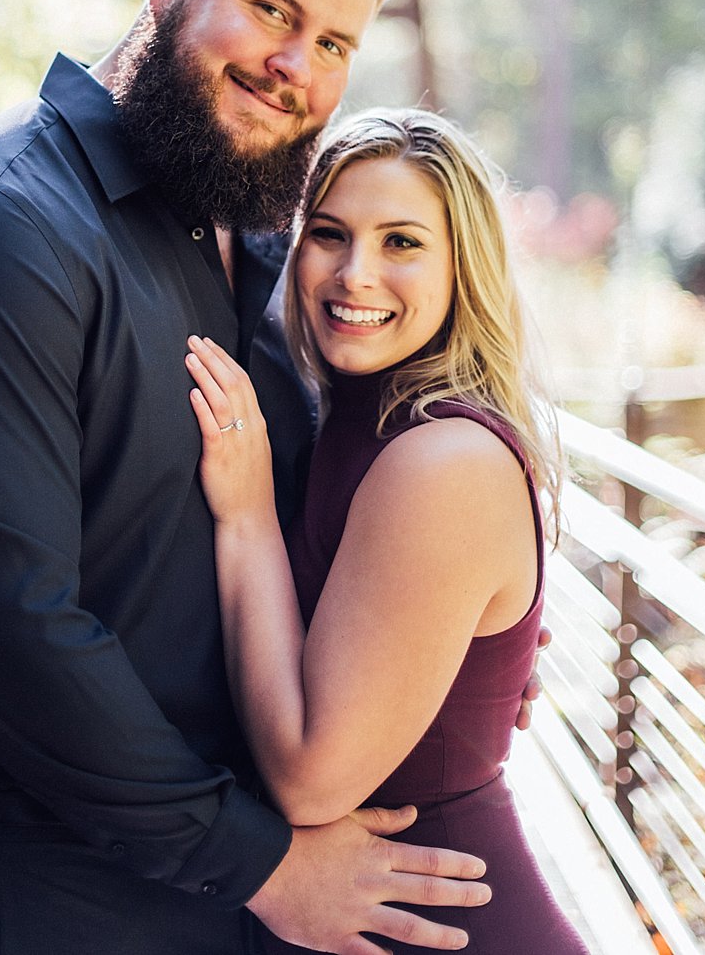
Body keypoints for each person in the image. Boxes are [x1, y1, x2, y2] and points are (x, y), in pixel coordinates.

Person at [0, 0, 497, 954]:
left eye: (335, 43)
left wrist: (444, 643)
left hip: (218, 884)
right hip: (17, 898)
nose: (296, 66)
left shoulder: (262, 249)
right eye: (271, 10)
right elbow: (7, 632)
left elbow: (315, 509)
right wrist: (261, 862)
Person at [184, 108, 592, 954]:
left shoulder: (441, 459)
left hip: (454, 928)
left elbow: (308, 778)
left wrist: (248, 514)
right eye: (329, 234)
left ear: (462, 265)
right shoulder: (356, 416)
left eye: (401, 241)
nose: (355, 274)